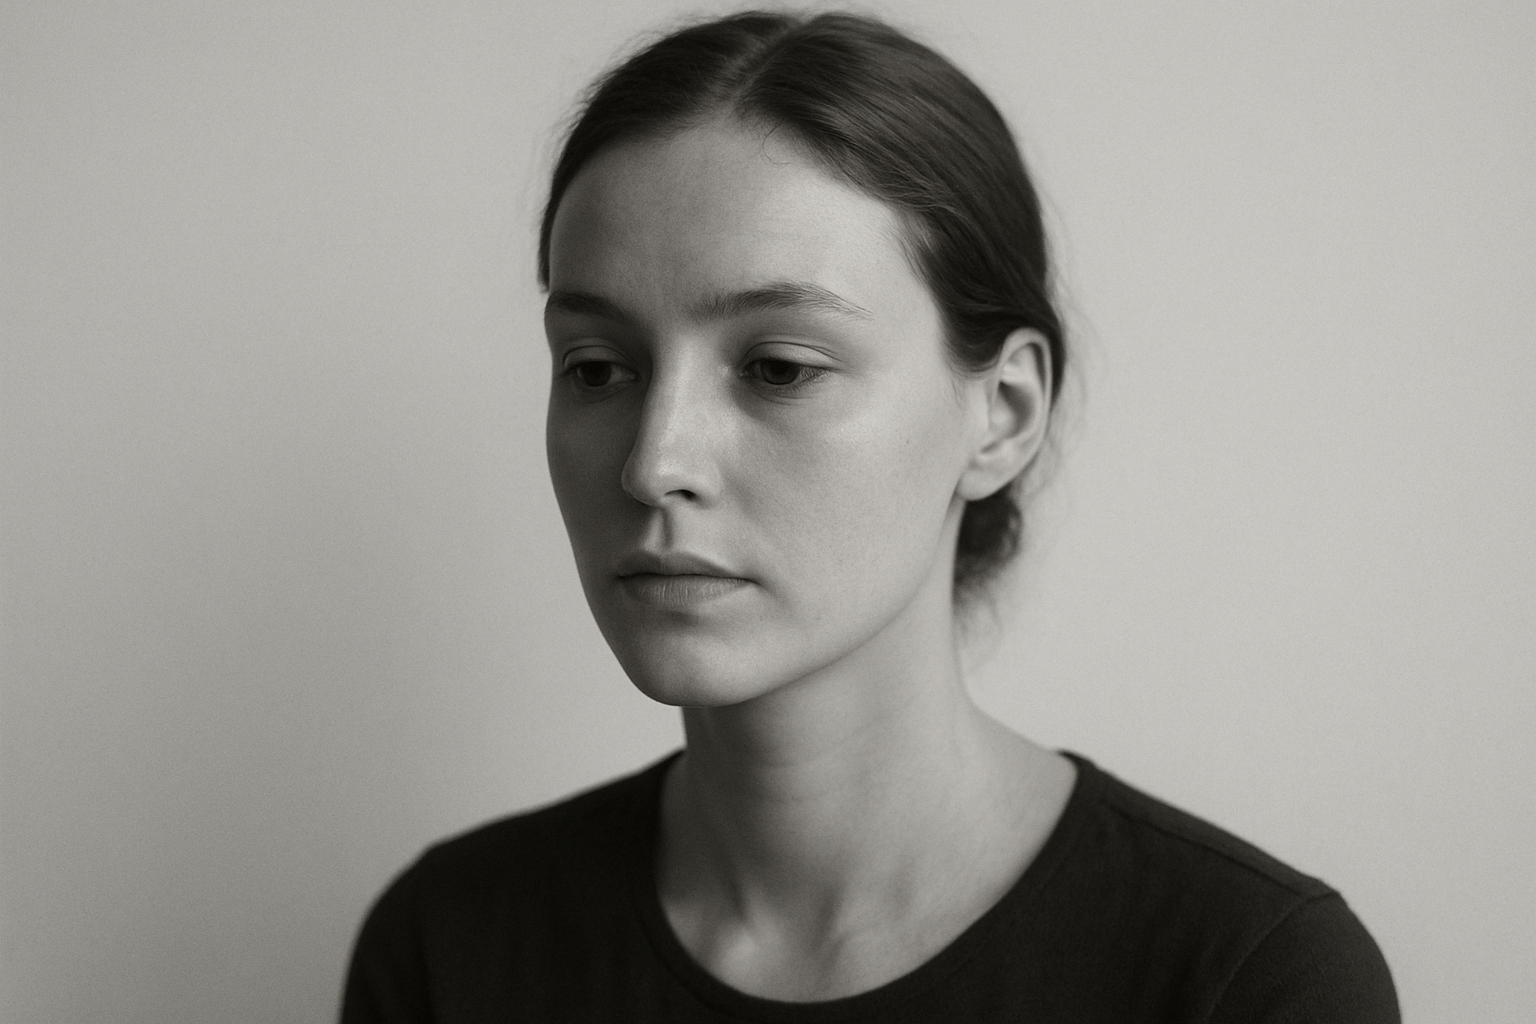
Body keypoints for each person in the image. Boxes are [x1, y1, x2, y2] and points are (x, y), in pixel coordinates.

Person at [340, 11, 1398, 1022]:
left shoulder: (1245, 980)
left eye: (780, 367)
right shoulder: (452, 946)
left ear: (1003, 413)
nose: (654, 463)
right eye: (599, 367)